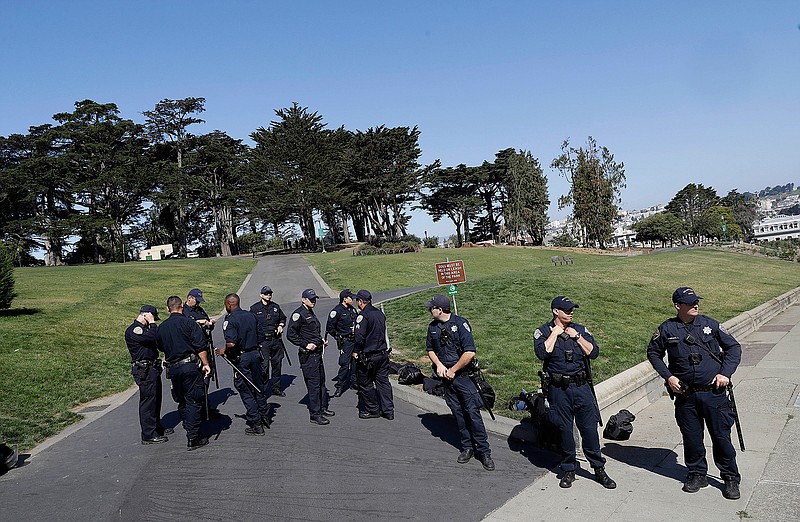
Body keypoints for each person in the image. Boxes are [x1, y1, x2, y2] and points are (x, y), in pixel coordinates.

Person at [647, 287, 742, 500]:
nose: (695, 305)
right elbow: (653, 353)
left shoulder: (710, 324)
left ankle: (730, 477)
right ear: (678, 306)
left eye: (696, 302)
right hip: (685, 395)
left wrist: (725, 373)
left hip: (713, 393)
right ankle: (697, 474)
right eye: (690, 303)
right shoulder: (667, 329)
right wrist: (668, 377)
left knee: (721, 437)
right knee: (691, 437)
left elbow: (734, 348)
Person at [533, 296, 616, 489]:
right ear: (556, 311)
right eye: (567, 309)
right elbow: (542, 354)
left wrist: (577, 337)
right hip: (558, 389)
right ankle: (569, 468)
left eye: (572, 309)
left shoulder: (580, 330)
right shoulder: (543, 332)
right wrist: (555, 334)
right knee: (564, 430)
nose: (571, 312)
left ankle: (598, 469)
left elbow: (594, 352)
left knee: (589, 429)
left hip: (581, 388)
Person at [425, 294, 494, 471]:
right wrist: (439, 365)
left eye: (431, 307)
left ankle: (484, 452)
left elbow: (469, 352)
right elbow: (430, 349)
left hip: (463, 377)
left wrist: (453, 370)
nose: (429, 309)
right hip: (446, 379)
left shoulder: (460, 324)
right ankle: (467, 448)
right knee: (459, 414)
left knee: (473, 414)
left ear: (440, 309)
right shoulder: (432, 327)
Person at [156, 296, 212, 450]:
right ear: (181, 306)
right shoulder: (189, 323)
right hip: (189, 366)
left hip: (173, 369)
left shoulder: (162, 328)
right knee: (193, 400)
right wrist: (206, 364)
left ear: (168, 309)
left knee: (181, 401)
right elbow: (201, 346)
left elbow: (160, 347)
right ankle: (193, 437)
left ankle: (189, 426)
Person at [216, 293, 271, 435]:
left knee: (246, 390)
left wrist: (224, 351)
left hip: (242, 358)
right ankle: (264, 414)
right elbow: (261, 336)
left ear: (229, 305)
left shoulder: (230, 320)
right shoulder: (251, 315)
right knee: (258, 386)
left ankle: (256, 423)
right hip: (255, 355)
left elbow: (231, 343)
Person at [125, 305, 172, 444]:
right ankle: (148, 434)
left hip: (152, 368)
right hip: (144, 370)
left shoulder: (144, 329)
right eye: (152, 318)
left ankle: (156, 427)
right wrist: (151, 323)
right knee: (148, 402)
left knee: (156, 400)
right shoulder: (135, 329)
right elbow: (154, 336)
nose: (154, 322)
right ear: (146, 315)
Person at [287, 288, 335, 425]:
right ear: (303, 299)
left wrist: (321, 341)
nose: (313, 301)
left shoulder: (310, 312)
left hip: (317, 354)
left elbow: (311, 332)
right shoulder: (298, 314)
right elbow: (291, 335)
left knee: (321, 383)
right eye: (310, 299)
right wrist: (305, 344)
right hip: (308, 356)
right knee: (314, 385)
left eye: (314, 299)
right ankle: (315, 414)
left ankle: (322, 407)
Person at [353, 289, 394, 420]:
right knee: (383, 382)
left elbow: (359, 337)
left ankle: (373, 409)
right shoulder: (379, 314)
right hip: (382, 354)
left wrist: (355, 351)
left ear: (360, 302)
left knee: (365, 383)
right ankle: (388, 410)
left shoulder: (363, 316)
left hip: (368, 356)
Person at [183, 287, 218, 417]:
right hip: (193, 349)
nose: (198, 304)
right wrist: (198, 322)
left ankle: (204, 404)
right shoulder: (184, 311)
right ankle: (197, 407)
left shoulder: (200, 310)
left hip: (205, 345)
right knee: (196, 379)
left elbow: (207, 322)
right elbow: (185, 326)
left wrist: (210, 324)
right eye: (196, 301)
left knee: (207, 374)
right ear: (189, 298)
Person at [249, 285, 288, 397]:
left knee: (277, 364)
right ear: (261, 295)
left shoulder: (276, 307)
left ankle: (276, 388)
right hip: (263, 342)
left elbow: (283, 318)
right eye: (266, 293)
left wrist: (281, 325)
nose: (269, 295)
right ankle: (263, 390)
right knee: (264, 367)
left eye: (270, 293)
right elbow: (251, 324)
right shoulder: (254, 308)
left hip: (275, 340)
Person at [326, 289, 359, 397]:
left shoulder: (352, 310)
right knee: (344, 364)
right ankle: (340, 386)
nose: (353, 299)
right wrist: (338, 337)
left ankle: (354, 382)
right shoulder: (337, 311)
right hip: (346, 341)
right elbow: (330, 327)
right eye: (350, 298)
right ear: (345, 299)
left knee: (355, 362)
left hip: (354, 340)